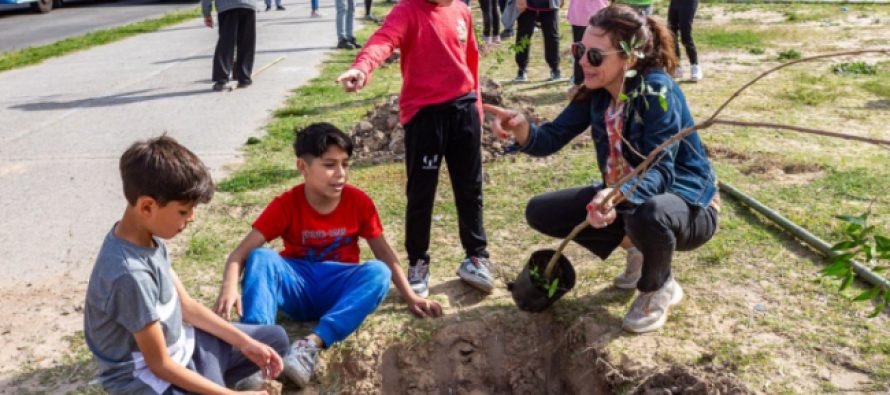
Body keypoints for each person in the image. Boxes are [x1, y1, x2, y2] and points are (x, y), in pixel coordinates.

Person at [485, 4, 719, 333]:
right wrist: (521, 128)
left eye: (594, 56)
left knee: (647, 214)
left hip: (687, 204)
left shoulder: (657, 92)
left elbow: (661, 171)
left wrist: (614, 193)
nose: (582, 61)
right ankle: (640, 250)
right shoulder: (596, 93)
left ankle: (659, 286)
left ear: (629, 57)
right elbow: (551, 138)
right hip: (625, 198)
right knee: (541, 211)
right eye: (580, 50)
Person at [213, 123, 443, 388]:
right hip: (297, 287)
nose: (341, 174)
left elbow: (383, 253)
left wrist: (411, 296)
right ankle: (254, 352)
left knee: (378, 272)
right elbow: (239, 254)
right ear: (303, 167)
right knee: (262, 257)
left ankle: (309, 346)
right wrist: (229, 287)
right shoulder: (286, 204)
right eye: (330, 165)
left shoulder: (359, 202)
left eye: (345, 164)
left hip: (337, 290)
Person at [84, 136, 288, 394]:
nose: (191, 218)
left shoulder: (146, 238)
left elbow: (186, 307)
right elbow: (159, 365)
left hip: (186, 346)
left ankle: (212, 379)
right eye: (183, 211)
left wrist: (246, 343)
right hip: (151, 379)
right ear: (147, 206)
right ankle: (215, 384)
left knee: (273, 341)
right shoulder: (129, 275)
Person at [335, 0, 496, 298]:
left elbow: (470, 59)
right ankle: (418, 262)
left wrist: (477, 107)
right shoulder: (407, 10)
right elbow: (383, 40)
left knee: (470, 188)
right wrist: (362, 66)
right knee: (422, 193)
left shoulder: (460, 10)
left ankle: (476, 256)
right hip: (425, 115)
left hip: (464, 111)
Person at [203, 0, 258, 91]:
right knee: (246, 41)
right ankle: (244, 77)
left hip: (227, 5)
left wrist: (206, 12)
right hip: (248, 5)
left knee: (226, 42)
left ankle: (221, 79)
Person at [566, 0, 608, 97]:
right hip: (581, 15)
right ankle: (578, 84)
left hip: (598, 14)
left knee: (599, 51)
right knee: (580, 51)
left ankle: (599, 83)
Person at [513, 0, 562, 82]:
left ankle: (555, 68)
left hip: (550, 4)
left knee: (551, 35)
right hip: (527, 4)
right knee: (523, 35)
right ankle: (521, 69)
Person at [668, 0, 701, 81]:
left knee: (685, 35)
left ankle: (694, 66)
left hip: (689, 2)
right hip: (675, 2)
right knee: (671, 34)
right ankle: (677, 67)